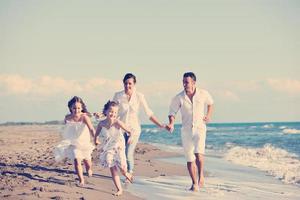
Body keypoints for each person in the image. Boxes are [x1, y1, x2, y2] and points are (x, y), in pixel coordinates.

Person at [166, 72, 214, 191]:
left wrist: (208, 115)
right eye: (183, 82)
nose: (184, 84)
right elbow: (172, 112)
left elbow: (211, 103)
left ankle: (201, 175)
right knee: (189, 158)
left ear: (193, 82)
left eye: (186, 82)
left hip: (200, 128)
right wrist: (171, 123)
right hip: (186, 130)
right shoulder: (179, 97)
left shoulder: (203, 93)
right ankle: (194, 183)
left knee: (199, 154)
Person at [112, 73, 165, 179]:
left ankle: (129, 173)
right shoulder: (118, 95)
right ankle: (125, 171)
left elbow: (149, 113)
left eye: (130, 83)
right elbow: (111, 109)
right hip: (121, 129)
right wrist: (100, 115)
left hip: (134, 130)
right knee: (120, 153)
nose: (127, 86)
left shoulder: (139, 96)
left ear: (134, 84)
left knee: (128, 153)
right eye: (126, 83)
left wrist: (160, 125)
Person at [54, 96, 96, 186]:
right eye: (74, 108)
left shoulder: (84, 117)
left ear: (82, 108)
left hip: (84, 142)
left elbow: (92, 129)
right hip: (73, 142)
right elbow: (65, 129)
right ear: (70, 108)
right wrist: (63, 138)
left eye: (78, 108)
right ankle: (81, 180)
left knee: (87, 161)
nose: (76, 110)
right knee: (77, 160)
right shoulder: (67, 117)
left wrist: (95, 138)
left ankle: (89, 169)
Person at [95, 100, 133, 196]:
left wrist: (131, 137)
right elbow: (97, 133)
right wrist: (95, 139)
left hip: (119, 145)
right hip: (108, 146)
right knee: (110, 164)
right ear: (106, 111)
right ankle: (119, 189)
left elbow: (129, 131)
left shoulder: (117, 122)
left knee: (123, 169)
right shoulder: (101, 123)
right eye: (111, 111)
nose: (113, 114)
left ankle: (127, 174)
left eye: (115, 112)